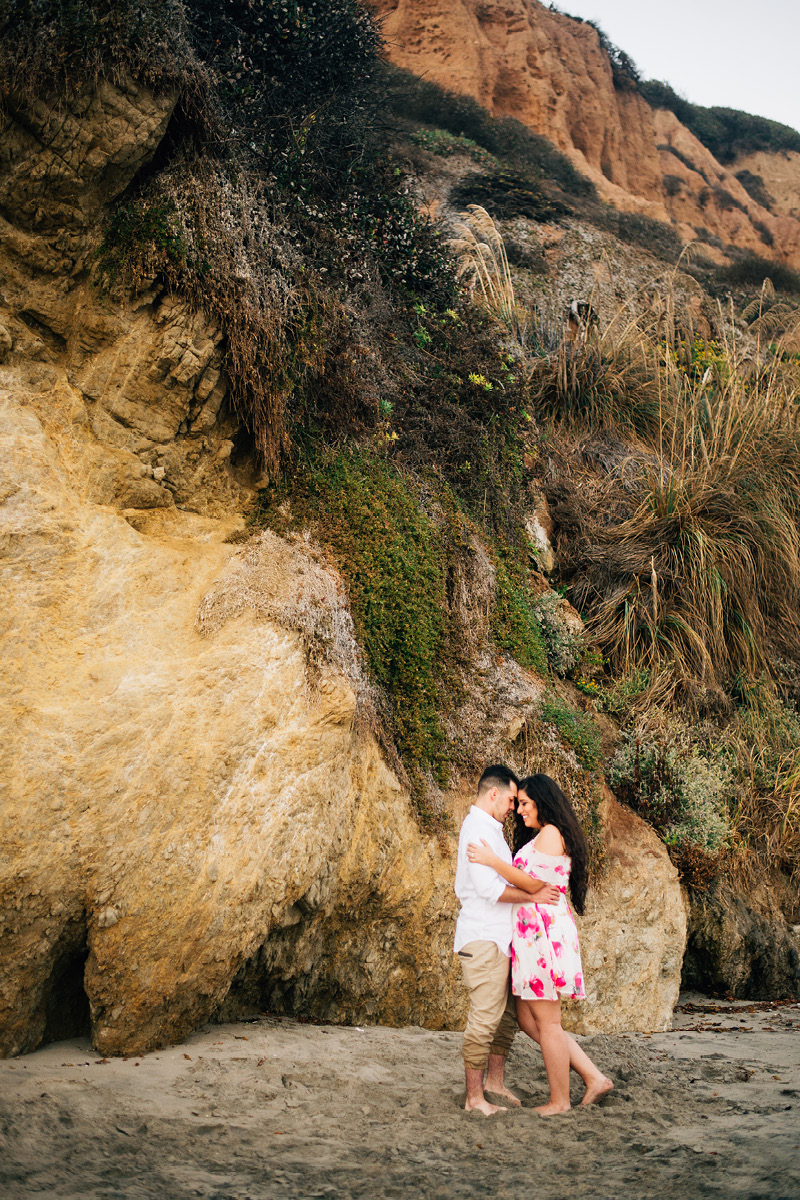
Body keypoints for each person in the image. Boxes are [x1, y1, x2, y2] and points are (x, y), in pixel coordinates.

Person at [468, 773, 613, 1115]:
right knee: (529, 1020)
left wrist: (493, 861)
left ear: (543, 803)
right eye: (517, 804)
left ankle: (559, 1101)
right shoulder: (539, 836)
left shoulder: (550, 834)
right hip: (530, 937)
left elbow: (534, 884)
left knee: (548, 1023)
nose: (519, 810)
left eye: (525, 803)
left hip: (543, 937)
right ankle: (594, 1077)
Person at [454, 765, 561, 1116]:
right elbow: (488, 889)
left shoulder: (493, 831)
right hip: (483, 936)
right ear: (494, 794)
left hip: (503, 939)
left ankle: (494, 1083)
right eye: (512, 800)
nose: (514, 808)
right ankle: (474, 1099)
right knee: (484, 1018)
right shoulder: (476, 829)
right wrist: (532, 897)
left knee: (505, 1019)